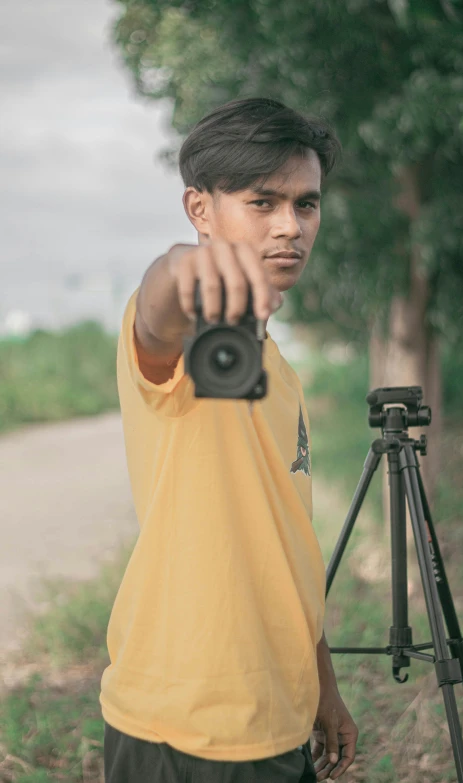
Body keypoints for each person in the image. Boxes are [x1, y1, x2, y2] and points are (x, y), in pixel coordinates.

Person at [100, 97, 359, 783]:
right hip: (186, 727)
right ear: (201, 210)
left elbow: (285, 538)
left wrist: (320, 681)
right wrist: (184, 272)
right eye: (262, 202)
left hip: (276, 712)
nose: (290, 227)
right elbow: (159, 310)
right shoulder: (189, 339)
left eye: (306, 205)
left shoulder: (277, 370)